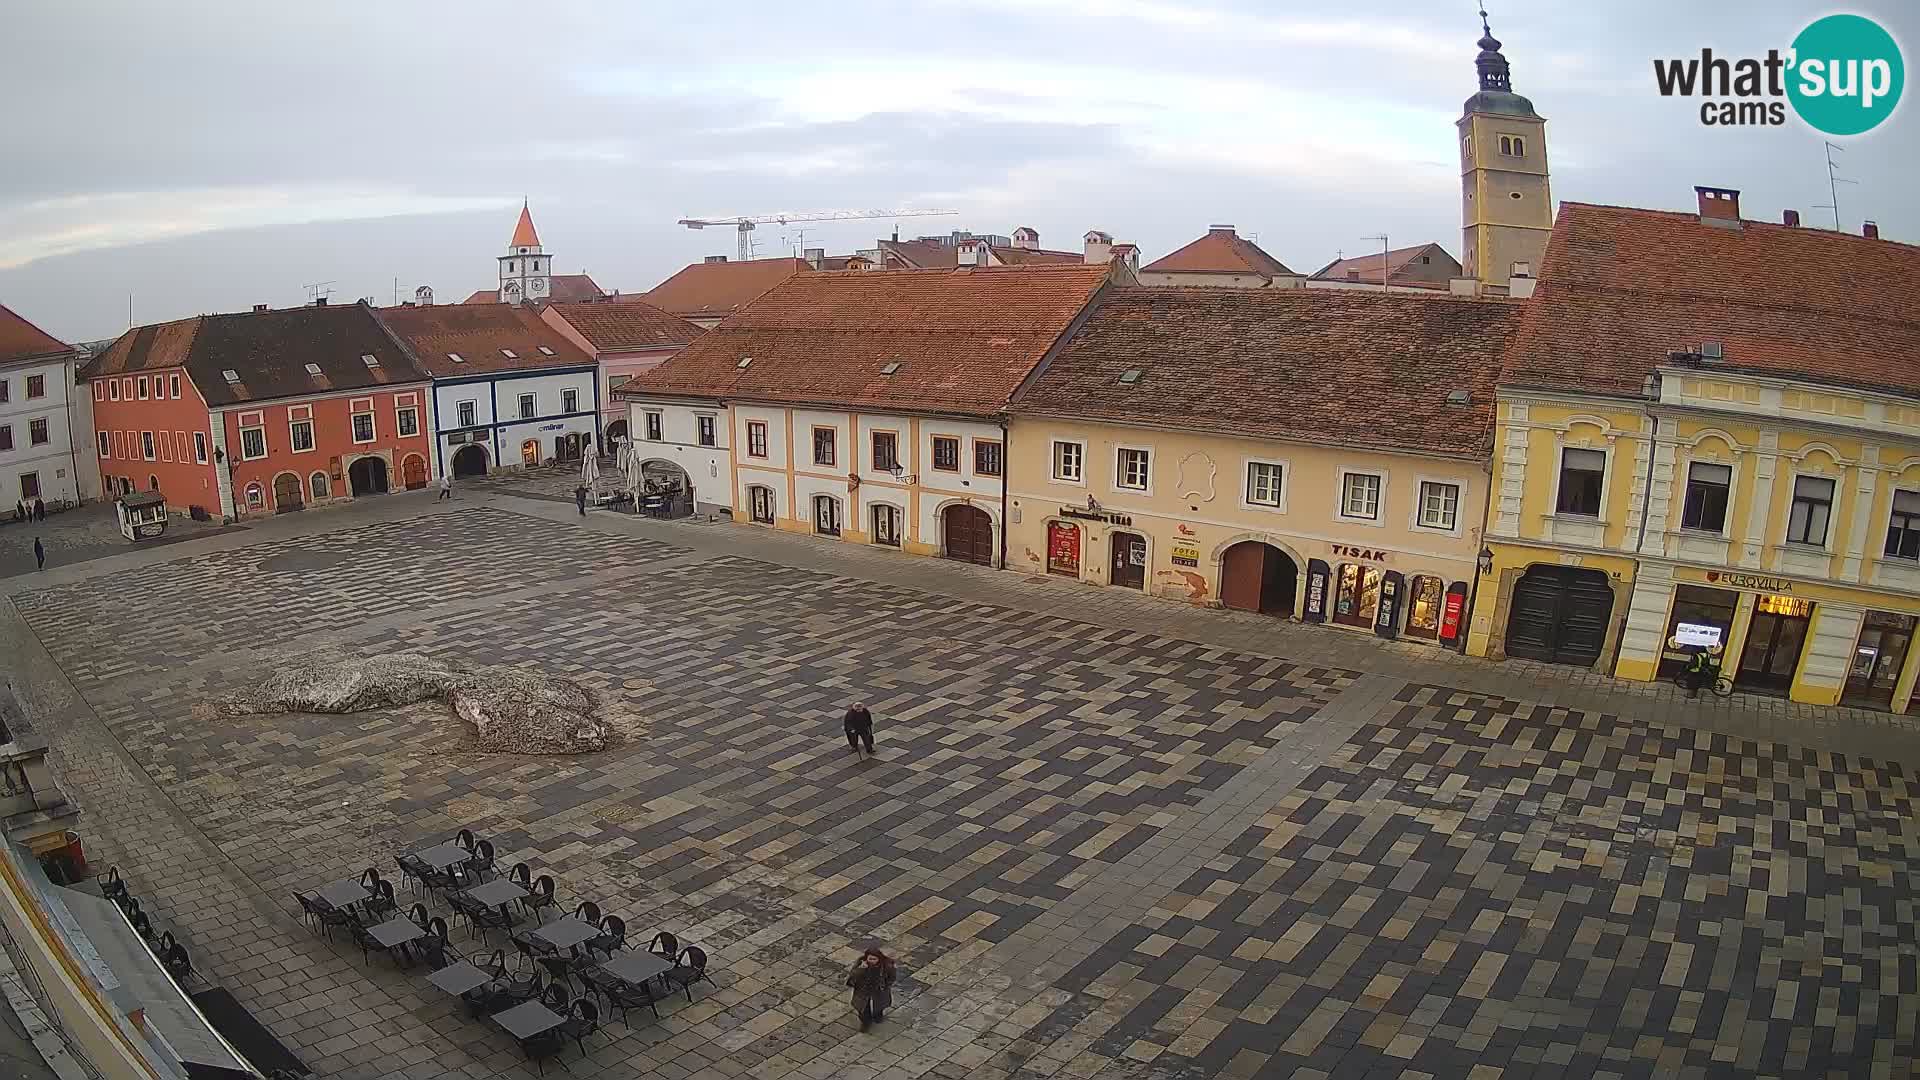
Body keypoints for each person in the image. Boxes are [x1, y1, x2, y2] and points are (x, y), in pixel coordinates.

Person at [846, 948, 896, 1031]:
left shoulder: (887, 965)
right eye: (870, 959)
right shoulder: (860, 964)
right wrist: (862, 969)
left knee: (879, 1004)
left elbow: (892, 977)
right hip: (863, 989)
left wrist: (886, 985)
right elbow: (852, 975)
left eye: (874, 959)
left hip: (879, 989)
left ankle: (877, 1016)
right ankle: (866, 1023)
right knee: (862, 1008)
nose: (872, 961)